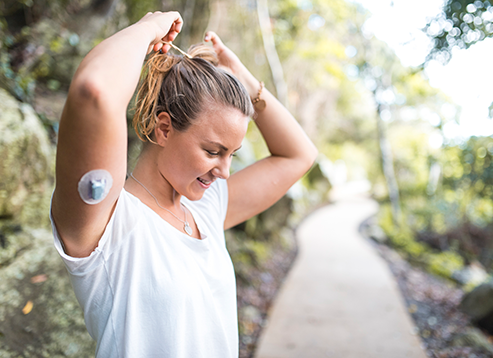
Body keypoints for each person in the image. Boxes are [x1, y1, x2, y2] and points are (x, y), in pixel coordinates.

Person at [50, 10, 317, 358]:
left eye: (232, 155)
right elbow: (94, 91)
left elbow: (299, 155)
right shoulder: (107, 222)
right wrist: (148, 28)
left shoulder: (205, 209)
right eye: (213, 151)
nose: (223, 171)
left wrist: (247, 85)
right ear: (164, 128)